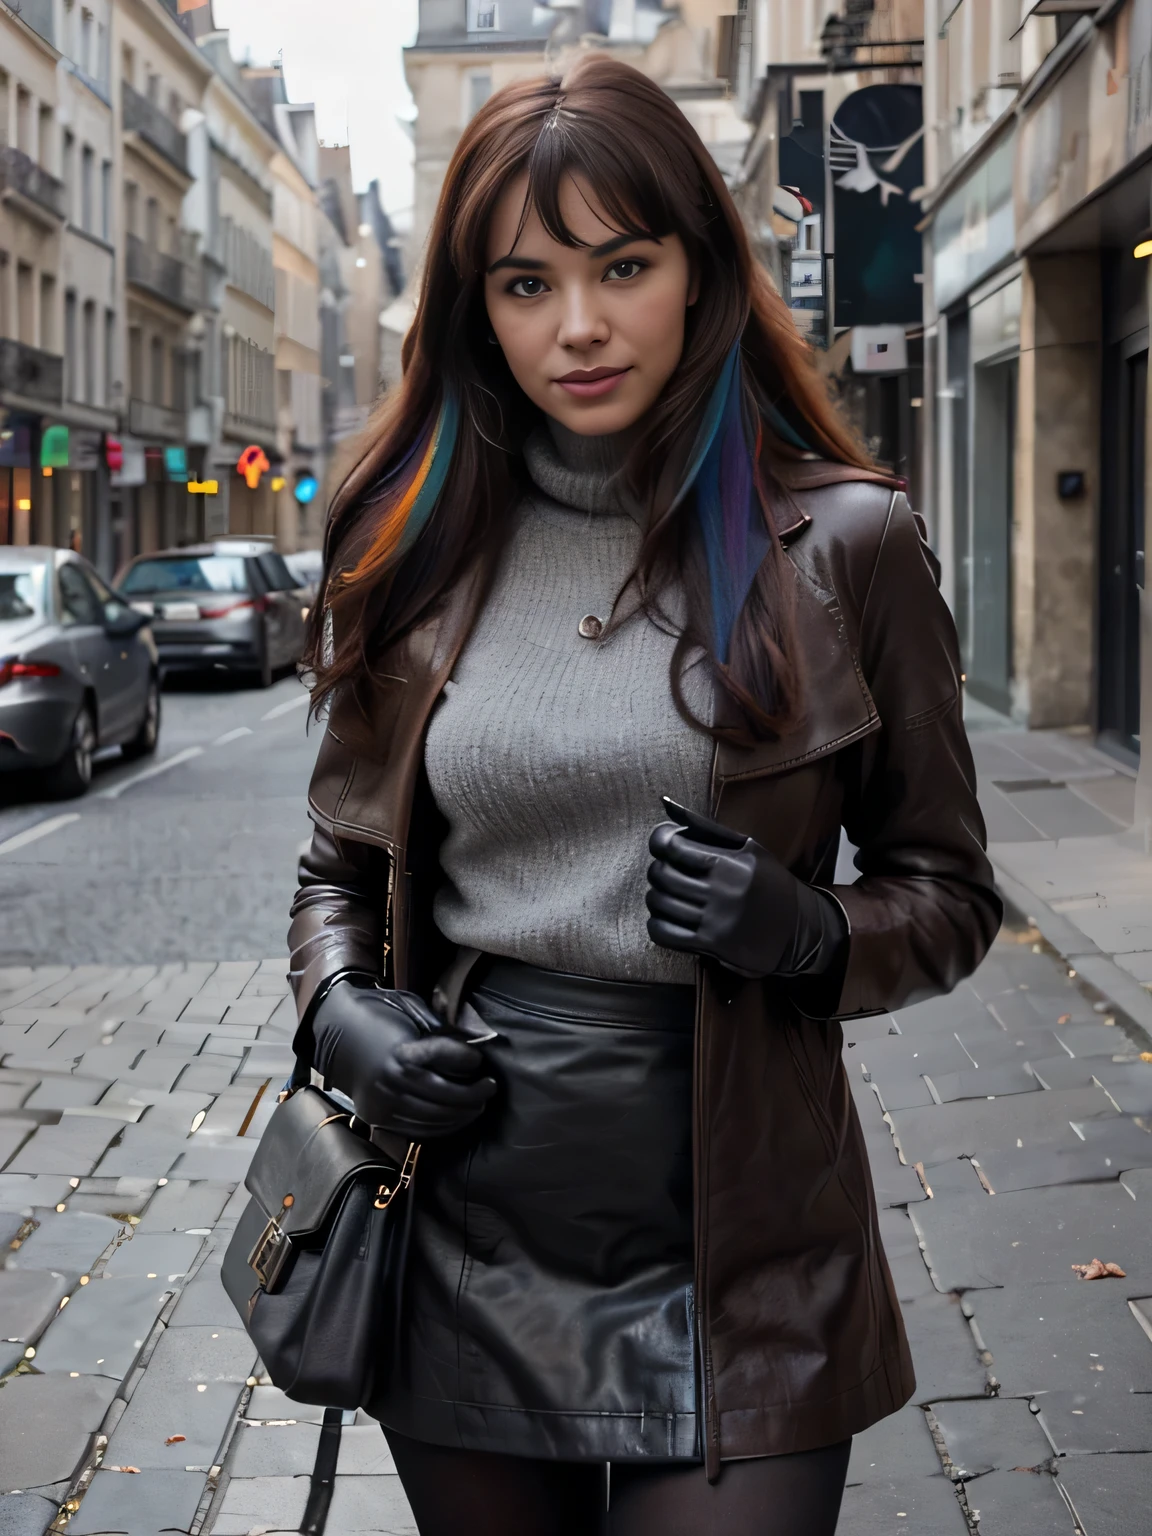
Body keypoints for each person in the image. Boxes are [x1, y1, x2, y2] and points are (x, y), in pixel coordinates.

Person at [287, 56, 1000, 1536]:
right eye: (526, 283)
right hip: (469, 1218)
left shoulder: (845, 544)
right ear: (475, 311)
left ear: (701, 266)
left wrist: (805, 931)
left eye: (624, 263)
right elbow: (340, 872)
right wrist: (344, 1016)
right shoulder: (408, 543)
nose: (582, 326)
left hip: (745, 1237)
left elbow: (948, 892)